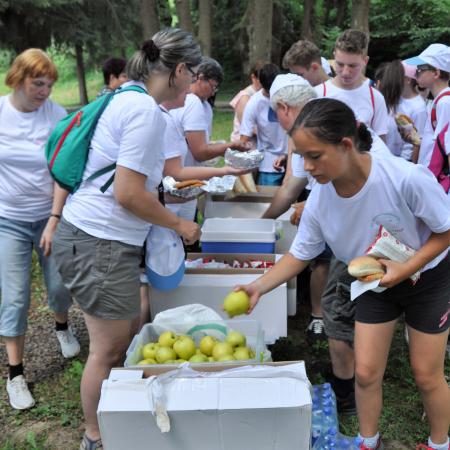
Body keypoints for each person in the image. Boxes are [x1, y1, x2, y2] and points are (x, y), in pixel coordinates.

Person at [235, 98, 450, 450]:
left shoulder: (404, 178)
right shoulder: (320, 198)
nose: (307, 167)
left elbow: (445, 231)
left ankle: (439, 444)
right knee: (365, 373)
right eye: (301, 157)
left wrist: (407, 268)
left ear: (346, 145)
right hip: (373, 284)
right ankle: (369, 441)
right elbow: (300, 254)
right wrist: (259, 286)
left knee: (426, 375)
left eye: (314, 156)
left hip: (427, 279)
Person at [50, 29, 202, 450]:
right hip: (99, 243)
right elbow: (128, 193)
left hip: (95, 238)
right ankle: (95, 437)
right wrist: (179, 224)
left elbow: (128, 182)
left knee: (120, 339)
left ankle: (115, 420)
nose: (191, 86)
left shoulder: (125, 97)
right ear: (180, 70)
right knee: (108, 349)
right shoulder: (145, 112)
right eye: (192, 77)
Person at [0, 49, 80, 411]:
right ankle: (15, 374)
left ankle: (62, 327)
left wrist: (54, 218)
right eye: (37, 83)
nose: (44, 91)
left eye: (49, 84)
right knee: (15, 296)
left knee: (60, 284)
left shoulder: (56, 115)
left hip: (49, 215)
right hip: (9, 220)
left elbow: (64, 170)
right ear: (17, 78)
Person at [260, 73, 328, 342]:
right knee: (319, 260)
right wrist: (263, 220)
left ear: (284, 108)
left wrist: (310, 204)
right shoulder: (300, 131)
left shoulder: (321, 124)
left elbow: (343, 180)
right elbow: (291, 185)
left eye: (276, 115)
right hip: (329, 208)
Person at [315, 29, 389, 142]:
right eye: (340, 64)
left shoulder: (376, 98)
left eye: (352, 66)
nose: (345, 72)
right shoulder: (318, 94)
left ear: (365, 61)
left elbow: (381, 144)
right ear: (334, 56)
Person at [240, 63, 288, 186]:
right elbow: (244, 137)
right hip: (269, 165)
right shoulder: (254, 103)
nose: (272, 94)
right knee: (268, 203)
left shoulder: (290, 96)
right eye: (268, 91)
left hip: (293, 160)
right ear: (260, 84)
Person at [404, 43, 450, 168]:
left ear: (436, 73)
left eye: (419, 70)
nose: (415, 74)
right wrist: (417, 141)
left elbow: (444, 147)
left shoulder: (445, 103)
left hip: (436, 179)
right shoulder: (440, 101)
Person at [374, 60, 427, 162]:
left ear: (408, 80)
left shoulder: (418, 107)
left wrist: (409, 164)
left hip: (402, 162)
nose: (392, 79)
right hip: (386, 158)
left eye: (396, 76)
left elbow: (417, 142)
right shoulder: (396, 99)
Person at [229, 60, 264, 147]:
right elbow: (248, 127)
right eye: (262, 79)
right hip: (244, 147)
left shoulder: (265, 94)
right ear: (253, 77)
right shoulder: (245, 97)